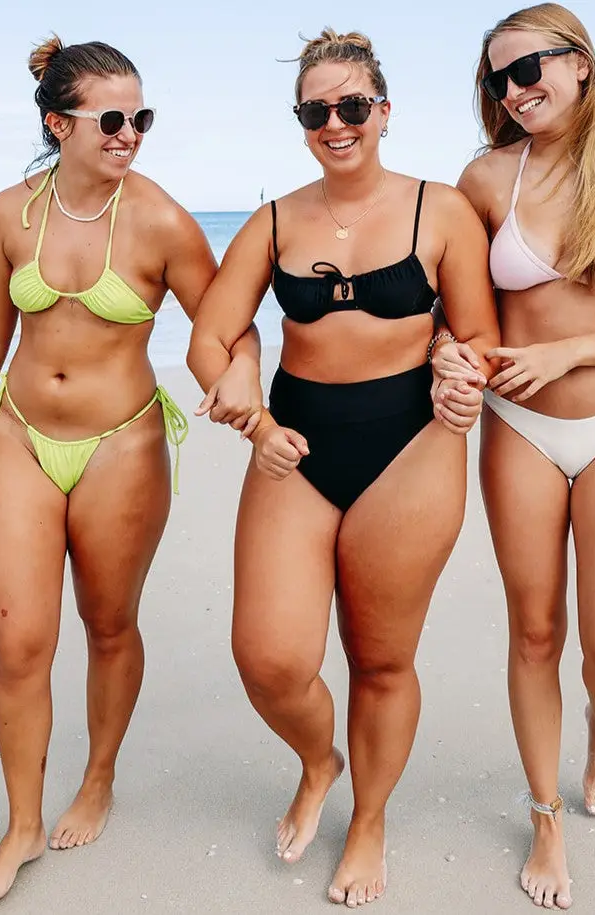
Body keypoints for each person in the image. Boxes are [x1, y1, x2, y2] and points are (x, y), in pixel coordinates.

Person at [0, 36, 259, 907]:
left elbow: (226, 325)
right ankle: (21, 823)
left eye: (140, 118)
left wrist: (244, 386)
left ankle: (99, 776)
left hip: (122, 444)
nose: (129, 134)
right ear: (58, 124)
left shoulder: (161, 220)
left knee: (108, 625)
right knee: (18, 644)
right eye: (111, 119)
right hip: (20, 437)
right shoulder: (10, 214)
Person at [187, 28, 499, 907]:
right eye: (314, 111)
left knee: (381, 658)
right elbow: (210, 336)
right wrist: (248, 409)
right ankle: (318, 760)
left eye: (352, 106)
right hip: (294, 445)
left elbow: (478, 332)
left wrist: (458, 367)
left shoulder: (440, 210)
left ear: (383, 111)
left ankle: (368, 818)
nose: (335, 123)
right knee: (268, 658)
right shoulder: (274, 220)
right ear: (300, 122)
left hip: (411, 444)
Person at [431, 3, 595, 908]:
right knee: (535, 631)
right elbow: (450, 311)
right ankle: (544, 814)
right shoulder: (483, 178)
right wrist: (449, 356)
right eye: (498, 78)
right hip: (518, 429)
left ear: (579, 62)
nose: (514, 89)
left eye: (529, 67)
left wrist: (568, 352)